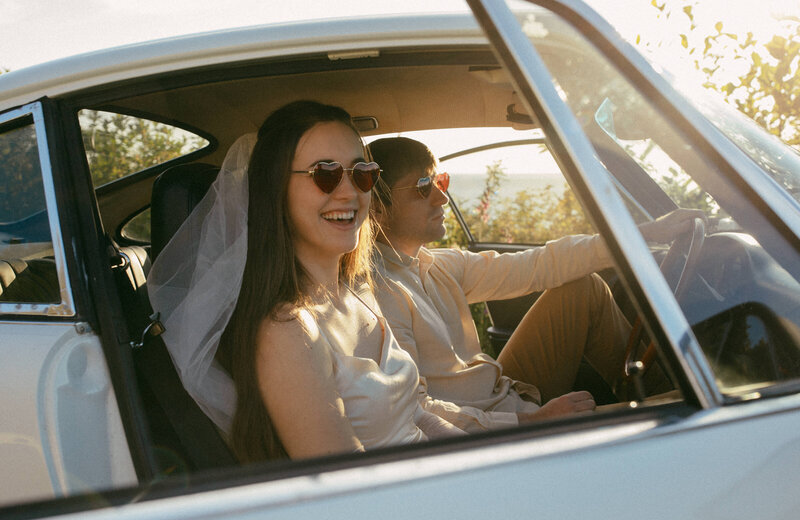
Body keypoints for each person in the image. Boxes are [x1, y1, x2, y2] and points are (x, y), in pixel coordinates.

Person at [148, 102, 461, 463]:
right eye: (325, 173)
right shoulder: (288, 331)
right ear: (275, 191)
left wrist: (486, 458)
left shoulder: (355, 293)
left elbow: (416, 416)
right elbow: (347, 485)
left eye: (362, 173)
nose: (349, 192)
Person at [368, 136, 704, 433]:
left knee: (583, 289)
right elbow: (416, 413)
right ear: (378, 209)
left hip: (502, 394)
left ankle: (664, 389)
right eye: (423, 187)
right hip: (493, 429)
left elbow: (541, 264)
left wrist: (641, 236)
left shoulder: (440, 264)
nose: (441, 198)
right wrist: (531, 421)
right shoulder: (379, 295)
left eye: (442, 181)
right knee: (695, 407)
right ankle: (678, 402)